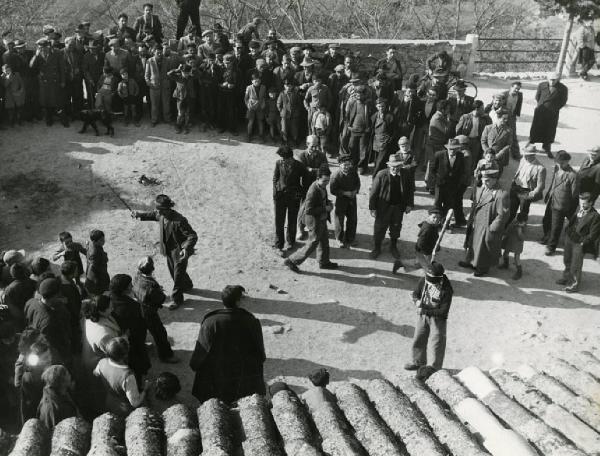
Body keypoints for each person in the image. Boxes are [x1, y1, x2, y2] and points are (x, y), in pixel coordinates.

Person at [190, 285, 266, 403]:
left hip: (217, 375)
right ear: (238, 301)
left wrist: (195, 365)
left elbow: (202, 351)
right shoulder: (251, 321)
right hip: (242, 375)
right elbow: (259, 351)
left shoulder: (210, 322)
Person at [132, 194, 198, 308]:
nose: (159, 213)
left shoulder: (180, 220)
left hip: (179, 252)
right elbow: (153, 215)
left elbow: (192, 236)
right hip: (168, 250)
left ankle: (177, 299)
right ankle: (187, 285)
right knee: (174, 271)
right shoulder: (161, 214)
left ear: (167, 208)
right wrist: (139, 215)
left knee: (177, 275)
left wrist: (186, 248)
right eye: (158, 210)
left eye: (161, 210)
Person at [284, 166, 338, 272]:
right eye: (324, 180)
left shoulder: (321, 186)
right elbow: (309, 210)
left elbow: (322, 199)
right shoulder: (313, 191)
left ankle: (324, 262)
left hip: (321, 218)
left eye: (328, 180)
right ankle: (292, 260)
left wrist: (328, 203)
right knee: (312, 243)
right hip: (314, 220)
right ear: (317, 178)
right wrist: (325, 208)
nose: (326, 183)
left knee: (324, 241)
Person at [459, 169, 510, 277]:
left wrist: (492, 228)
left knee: (484, 247)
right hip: (477, 221)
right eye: (483, 179)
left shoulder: (501, 194)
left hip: (488, 224)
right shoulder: (482, 188)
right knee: (473, 243)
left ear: (495, 180)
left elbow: (503, 215)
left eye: (487, 180)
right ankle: (471, 261)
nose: (483, 182)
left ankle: (482, 268)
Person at [404, 262, 452, 372]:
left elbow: (443, 311)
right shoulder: (424, 280)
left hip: (438, 319)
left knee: (437, 343)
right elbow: (416, 293)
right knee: (419, 338)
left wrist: (424, 310)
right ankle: (418, 362)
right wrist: (416, 301)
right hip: (423, 315)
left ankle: (435, 368)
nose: (429, 283)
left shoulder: (447, 290)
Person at [369, 153, 415, 261]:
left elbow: (410, 191)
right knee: (380, 228)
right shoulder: (381, 175)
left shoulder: (406, 174)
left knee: (396, 227)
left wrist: (409, 204)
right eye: (393, 166)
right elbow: (373, 193)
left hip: (398, 207)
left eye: (397, 166)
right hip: (383, 208)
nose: (395, 168)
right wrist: (372, 208)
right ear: (389, 166)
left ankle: (393, 246)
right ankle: (377, 248)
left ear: (401, 165)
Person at [132, 256, 178, 362]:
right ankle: (166, 356)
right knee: (160, 334)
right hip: (149, 313)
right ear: (152, 269)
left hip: (139, 309)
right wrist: (159, 291)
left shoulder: (137, 277)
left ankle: (143, 347)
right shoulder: (151, 287)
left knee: (142, 331)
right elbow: (161, 299)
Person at [109, 274, 151, 383]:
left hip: (117, 340)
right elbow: (140, 327)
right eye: (129, 285)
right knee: (137, 365)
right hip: (132, 341)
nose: (132, 287)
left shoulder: (109, 300)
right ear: (124, 290)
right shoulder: (132, 306)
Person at [556, 192, 600, 293]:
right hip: (569, 239)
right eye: (581, 203)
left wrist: (582, 243)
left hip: (579, 244)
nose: (582, 205)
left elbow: (593, 235)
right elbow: (572, 221)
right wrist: (567, 232)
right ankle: (566, 277)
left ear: (591, 203)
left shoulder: (595, 216)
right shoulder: (579, 209)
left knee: (576, 265)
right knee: (567, 260)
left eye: (584, 204)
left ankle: (574, 284)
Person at [94, 336, 148, 416]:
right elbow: (135, 403)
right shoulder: (128, 376)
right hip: (125, 410)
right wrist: (145, 390)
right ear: (125, 355)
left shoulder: (101, 362)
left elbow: (95, 373)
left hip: (109, 402)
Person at [24, 278, 72, 364]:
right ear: (56, 295)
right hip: (50, 355)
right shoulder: (49, 320)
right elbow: (51, 345)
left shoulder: (30, 302)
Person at [541, 150, 578, 256]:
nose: (560, 164)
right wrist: (548, 193)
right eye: (558, 162)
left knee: (556, 227)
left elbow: (574, 195)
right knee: (546, 220)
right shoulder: (557, 169)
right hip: (552, 200)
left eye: (562, 162)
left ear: (568, 161)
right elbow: (553, 182)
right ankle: (546, 236)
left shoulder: (573, 175)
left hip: (561, 205)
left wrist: (570, 208)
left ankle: (551, 247)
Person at [273, 146, 307, 253]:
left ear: (290, 158)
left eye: (284, 158)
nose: (282, 159)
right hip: (280, 197)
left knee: (292, 221)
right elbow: (275, 178)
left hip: (294, 197)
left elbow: (305, 179)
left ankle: (291, 242)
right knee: (279, 221)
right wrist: (275, 192)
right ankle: (279, 244)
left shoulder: (299, 166)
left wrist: (300, 192)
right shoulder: (279, 163)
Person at [296, 135, 329, 240]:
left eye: (316, 146)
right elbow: (300, 171)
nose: (315, 149)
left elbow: (324, 169)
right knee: (303, 208)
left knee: (320, 206)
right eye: (312, 146)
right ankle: (300, 229)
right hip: (305, 186)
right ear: (307, 144)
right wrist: (314, 170)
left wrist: (311, 170)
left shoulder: (322, 155)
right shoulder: (301, 156)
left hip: (319, 186)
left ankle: (318, 227)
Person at [529, 72, 568, 158]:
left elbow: (563, 101)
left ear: (557, 79)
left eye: (554, 80)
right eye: (550, 79)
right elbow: (537, 97)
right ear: (547, 79)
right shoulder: (541, 85)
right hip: (540, 111)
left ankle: (546, 148)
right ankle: (531, 144)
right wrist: (541, 105)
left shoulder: (563, 88)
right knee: (536, 128)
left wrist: (554, 108)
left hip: (552, 113)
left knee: (549, 130)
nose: (552, 82)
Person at [29, 37, 67, 127]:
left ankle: (63, 119)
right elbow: (31, 66)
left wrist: (63, 81)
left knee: (58, 102)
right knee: (46, 101)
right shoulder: (37, 54)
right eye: (40, 48)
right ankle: (49, 118)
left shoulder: (57, 52)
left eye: (44, 47)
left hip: (55, 81)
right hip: (44, 81)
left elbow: (62, 68)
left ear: (48, 46)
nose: (42, 49)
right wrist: (36, 56)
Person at [431, 138, 467, 227]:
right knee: (437, 203)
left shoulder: (461, 156)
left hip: (452, 186)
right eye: (450, 149)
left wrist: (458, 183)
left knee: (448, 205)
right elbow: (432, 169)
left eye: (454, 149)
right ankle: (435, 223)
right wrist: (436, 181)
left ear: (458, 149)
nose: (452, 151)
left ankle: (444, 224)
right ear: (447, 148)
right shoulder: (439, 155)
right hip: (440, 184)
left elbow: (462, 171)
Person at [508, 144, 546, 223]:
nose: (525, 156)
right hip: (516, 187)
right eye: (525, 154)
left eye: (527, 155)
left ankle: (520, 225)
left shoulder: (540, 168)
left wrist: (531, 195)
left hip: (526, 191)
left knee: (523, 211)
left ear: (533, 155)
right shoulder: (523, 160)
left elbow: (541, 186)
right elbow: (517, 172)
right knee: (511, 208)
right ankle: (507, 225)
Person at [330, 155, 361, 249]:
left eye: (349, 164)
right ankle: (339, 238)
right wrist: (344, 193)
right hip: (341, 200)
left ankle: (350, 238)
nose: (347, 167)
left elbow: (358, 183)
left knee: (353, 219)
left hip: (352, 199)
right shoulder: (335, 176)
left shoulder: (353, 172)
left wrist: (355, 191)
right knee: (339, 220)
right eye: (344, 165)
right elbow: (333, 190)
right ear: (340, 165)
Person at [36, 364, 78, 431]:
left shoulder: (63, 395)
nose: (70, 376)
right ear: (61, 381)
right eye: (67, 374)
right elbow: (51, 432)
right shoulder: (50, 407)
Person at [145, 45, 174, 126]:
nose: (160, 54)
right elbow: (146, 75)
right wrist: (149, 84)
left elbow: (170, 72)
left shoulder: (167, 60)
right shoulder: (150, 61)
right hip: (154, 86)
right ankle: (154, 120)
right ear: (154, 52)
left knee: (166, 104)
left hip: (165, 85)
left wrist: (168, 80)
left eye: (161, 52)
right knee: (154, 105)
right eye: (158, 53)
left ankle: (167, 119)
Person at [346, 86, 373, 173]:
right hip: (354, 130)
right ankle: (353, 164)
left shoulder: (368, 105)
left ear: (364, 95)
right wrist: (349, 126)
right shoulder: (352, 103)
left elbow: (372, 117)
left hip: (364, 131)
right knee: (352, 148)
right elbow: (347, 115)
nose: (358, 96)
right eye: (356, 94)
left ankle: (361, 166)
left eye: (360, 94)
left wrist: (369, 128)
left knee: (363, 150)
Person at [58, 261, 83, 356]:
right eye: (76, 270)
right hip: (72, 318)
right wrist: (79, 315)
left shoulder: (61, 279)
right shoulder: (68, 289)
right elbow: (73, 306)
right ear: (71, 273)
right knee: (75, 336)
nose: (78, 271)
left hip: (69, 316)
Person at [455, 100, 490, 166]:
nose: (483, 110)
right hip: (465, 141)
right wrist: (460, 140)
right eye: (482, 108)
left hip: (476, 141)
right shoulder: (465, 117)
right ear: (477, 109)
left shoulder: (483, 118)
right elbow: (458, 130)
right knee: (464, 157)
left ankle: (471, 173)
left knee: (474, 158)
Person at [2, 264, 36, 332]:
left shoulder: (9, 290)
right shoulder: (34, 283)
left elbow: (11, 308)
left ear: (12, 275)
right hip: (33, 313)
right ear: (25, 272)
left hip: (20, 318)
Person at [370, 98, 395, 177]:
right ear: (376, 106)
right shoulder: (374, 116)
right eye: (379, 106)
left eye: (383, 106)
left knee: (380, 162)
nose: (381, 108)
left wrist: (389, 140)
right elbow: (372, 129)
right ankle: (381, 178)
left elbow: (395, 131)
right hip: (376, 142)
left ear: (385, 106)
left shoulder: (390, 116)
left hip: (385, 142)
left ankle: (374, 179)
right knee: (376, 161)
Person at [168, 63, 195, 134]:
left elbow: (199, 74)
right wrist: (177, 69)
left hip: (189, 97)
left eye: (187, 73)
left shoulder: (192, 77)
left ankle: (186, 126)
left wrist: (193, 69)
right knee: (180, 113)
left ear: (189, 72)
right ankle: (178, 126)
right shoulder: (178, 77)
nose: (185, 74)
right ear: (181, 72)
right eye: (184, 73)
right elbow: (169, 74)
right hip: (180, 97)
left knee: (188, 113)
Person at [499, 213, 527, 280]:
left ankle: (519, 272)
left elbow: (522, 237)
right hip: (510, 241)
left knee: (516, 258)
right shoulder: (514, 222)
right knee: (505, 253)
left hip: (517, 244)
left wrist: (519, 231)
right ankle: (506, 264)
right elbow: (508, 230)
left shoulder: (522, 227)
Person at [84, 229, 110, 297]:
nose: (104, 241)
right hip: (98, 277)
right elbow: (93, 267)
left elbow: (87, 246)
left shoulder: (92, 244)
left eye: (103, 239)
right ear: (95, 241)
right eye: (101, 240)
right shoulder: (95, 253)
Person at [277, 77, 302, 145]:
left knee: (294, 128)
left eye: (290, 86)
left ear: (292, 86)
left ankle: (295, 140)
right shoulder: (282, 94)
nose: (288, 87)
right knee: (284, 128)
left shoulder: (296, 94)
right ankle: (284, 140)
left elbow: (299, 104)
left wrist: (297, 112)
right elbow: (279, 104)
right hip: (285, 115)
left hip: (294, 114)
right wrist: (282, 111)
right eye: (287, 86)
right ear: (284, 86)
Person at [503, 81, 523, 159]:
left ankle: (516, 154)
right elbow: (493, 103)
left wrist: (515, 115)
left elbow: (518, 105)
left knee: (513, 135)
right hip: (503, 117)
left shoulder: (520, 95)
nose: (517, 90)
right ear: (511, 87)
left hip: (512, 117)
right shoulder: (504, 94)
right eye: (515, 88)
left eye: (518, 89)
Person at [244, 72, 266, 141]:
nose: (257, 82)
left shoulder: (263, 87)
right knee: (251, 121)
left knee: (260, 121)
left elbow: (264, 97)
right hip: (251, 106)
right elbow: (246, 98)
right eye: (255, 81)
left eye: (259, 81)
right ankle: (249, 135)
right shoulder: (249, 87)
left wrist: (263, 104)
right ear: (252, 81)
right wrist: (248, 105)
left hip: (260, 106)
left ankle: (261, 135)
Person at [574, 15, 596, 80]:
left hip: (591, 47)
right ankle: (584, 75)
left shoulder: (592, 28)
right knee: (585, 62)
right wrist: (583, 46)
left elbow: (593, 38)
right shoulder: (582, 29)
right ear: (585, 21)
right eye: (590, 21)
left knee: (592, 61)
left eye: (592, 21)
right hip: (585, 48)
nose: (591, 23)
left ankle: (582, 72)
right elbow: (579, 38)